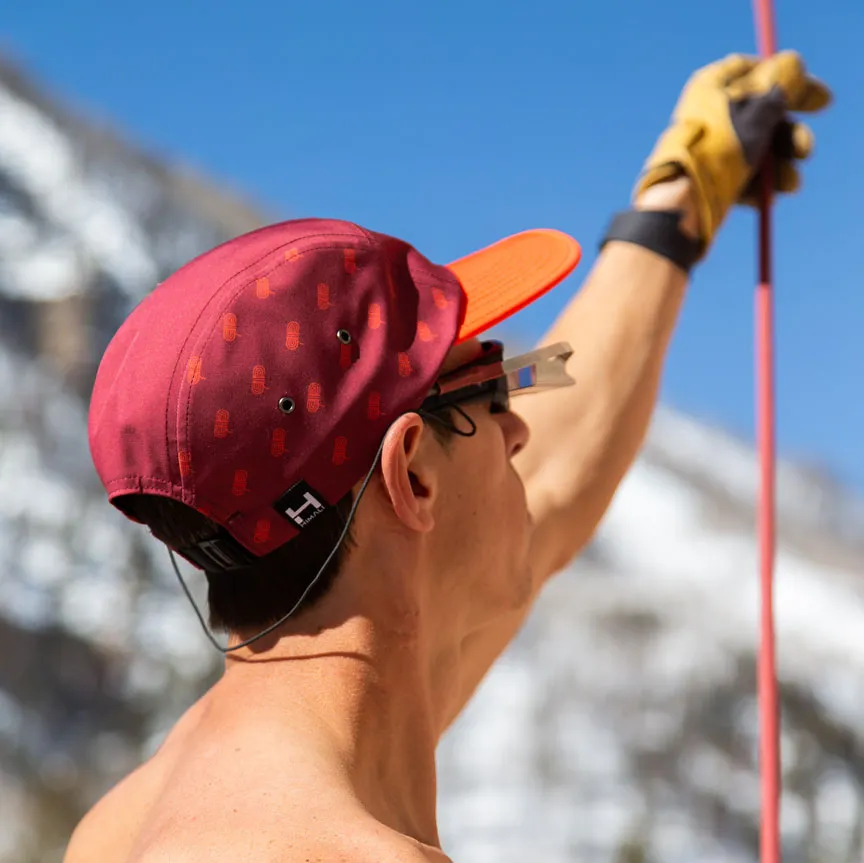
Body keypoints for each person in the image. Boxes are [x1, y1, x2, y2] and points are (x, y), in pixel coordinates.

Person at [66, 51, 830, 862]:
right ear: (414, 475)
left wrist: (678, 205)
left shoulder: (146, 811)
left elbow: (559, 480)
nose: (522, 430)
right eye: (495, 392)